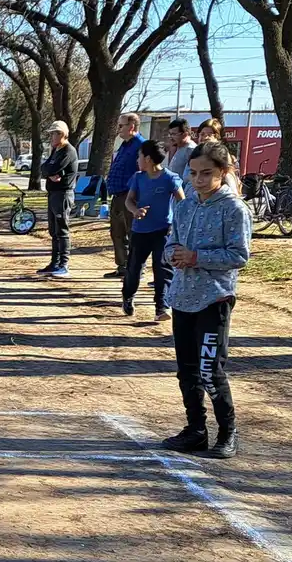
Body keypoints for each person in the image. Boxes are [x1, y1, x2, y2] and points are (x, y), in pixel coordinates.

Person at [162, 141, 251, 459]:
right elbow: (171, 241)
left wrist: (198, 257)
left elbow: (239, 255)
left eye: (207, 174)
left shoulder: (233, 209)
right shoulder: (185, 205)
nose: (198, 180)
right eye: (194, 173)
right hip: (182, 298)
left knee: (210, 369)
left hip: (214, 299)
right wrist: (173, 254)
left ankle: (228, 433)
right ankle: (195, 430)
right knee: (186, 370)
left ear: (223, 173)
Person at [123, 139, 184, 320]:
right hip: (140, 232)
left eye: (139, 156)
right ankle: (128, 295)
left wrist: (180, 223)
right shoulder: (138, 178)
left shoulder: (170, 178)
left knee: (163, 268)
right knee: (134, 268)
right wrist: (135, 211)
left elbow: (183, 202)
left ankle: (161, 307)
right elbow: (129, 200)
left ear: (148, 159)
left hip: (163, 231)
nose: (137, 160)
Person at [106, 112, 144, 278]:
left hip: (131, 196)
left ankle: (136, 269)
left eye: (121, 126)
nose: (118, 129)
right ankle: (122, 267)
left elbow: (144, 171)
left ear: (132, 127)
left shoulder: (141, 145)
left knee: (132, 233)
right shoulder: (124, 145)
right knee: (117, 232)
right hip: (117, 195)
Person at [38, 119, 77, 277]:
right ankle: (54, 263)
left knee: (62, 230)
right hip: (53, 193)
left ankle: (64, 264)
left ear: (62, 134)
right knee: (53, 231)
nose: (51, 137)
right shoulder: (56, 150)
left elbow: (53, 168)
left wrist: (50, 171)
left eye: (54, 133)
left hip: (63, 194)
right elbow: (44, 168)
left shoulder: (68, 151)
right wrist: (48, 173)